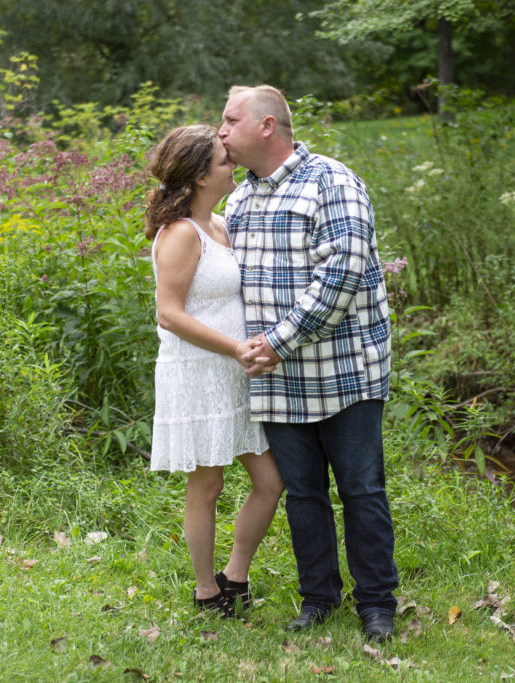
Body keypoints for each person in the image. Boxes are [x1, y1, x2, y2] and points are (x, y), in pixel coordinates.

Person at [218, 85, 398, 641]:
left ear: (267, 125)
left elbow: (342, 274)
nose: (219, 132)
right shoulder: (239, 202)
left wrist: (278, 341)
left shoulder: (332, 182)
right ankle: (319, 597)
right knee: (303, 496)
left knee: (361, 490)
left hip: (345, 370)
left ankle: (377, 604)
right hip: (277, 381)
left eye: (229, 120)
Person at [145, 124, 285, 619]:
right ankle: (208, 592)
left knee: (271, 482)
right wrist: (236, 348)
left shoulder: (220, 225)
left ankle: (236, 576)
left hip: (234, 372)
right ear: (202, 176)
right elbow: (170, 313)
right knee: (207, 485)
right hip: (199, 371)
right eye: (225, 161)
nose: (234, 167)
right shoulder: (181, 233)